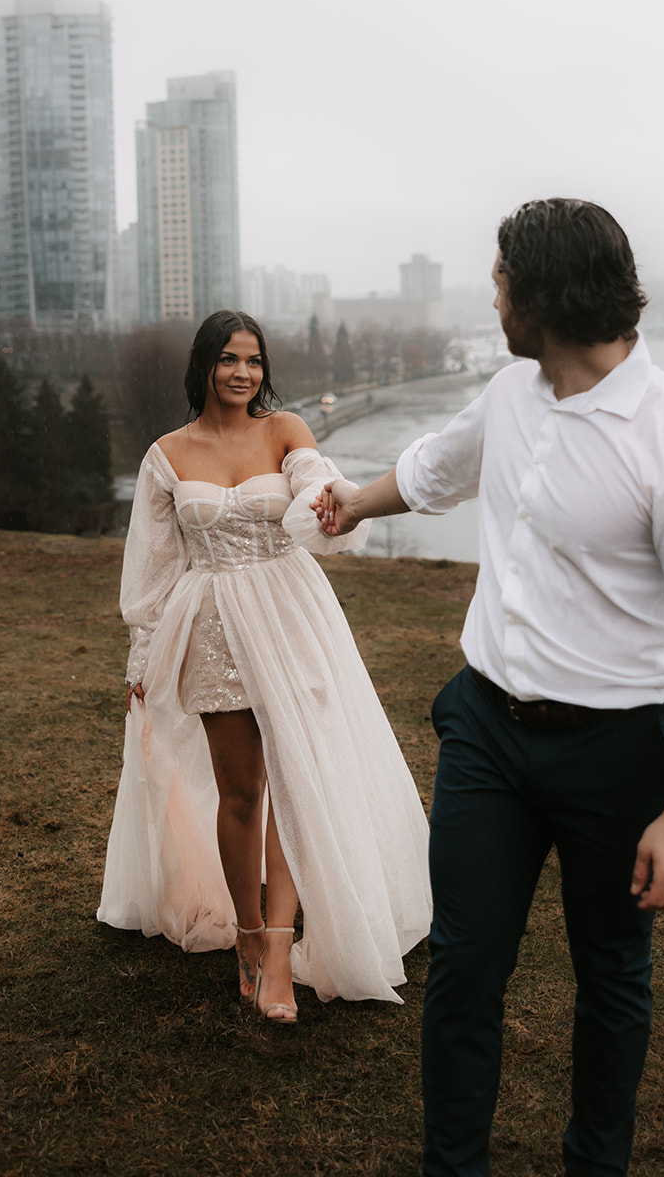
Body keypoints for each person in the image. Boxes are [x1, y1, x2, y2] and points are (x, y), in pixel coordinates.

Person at [316, 199, 664, 1174]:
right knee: (464, 969)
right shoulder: (512, 394)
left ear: (544, 297)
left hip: (614, 752)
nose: (492, 293)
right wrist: (352, 498)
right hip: (485, 728)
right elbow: (436, 468)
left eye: (501, 277)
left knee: (610, 978)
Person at [97, 310, 432, 1021]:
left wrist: (330, 502)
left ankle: (280, 948)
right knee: (241, 790)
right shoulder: (166, 454)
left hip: (290, 618)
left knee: (294, 779)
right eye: (227, 359)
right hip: (211, 626)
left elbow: (316, 486)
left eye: (252, 360)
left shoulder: (286, 432)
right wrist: (141, 658)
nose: (242, 372)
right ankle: (247, 936)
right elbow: (153, 569)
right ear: (204, 367)